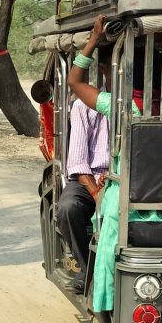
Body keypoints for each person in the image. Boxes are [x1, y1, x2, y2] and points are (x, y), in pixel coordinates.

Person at [67, 15, 162, 313]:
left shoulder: (122, 105)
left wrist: (94, 38)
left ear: (121, 72)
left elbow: (75, 81)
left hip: (129, 196)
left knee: (108, 234)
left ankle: (105, 305)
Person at [57, 96, 109, 294]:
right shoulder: (84, 105)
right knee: (68, 208)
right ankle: (87, 268)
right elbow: (78, 162)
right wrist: (96, 193)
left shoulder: (143, 105)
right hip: (89, 177)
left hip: (126, 178)